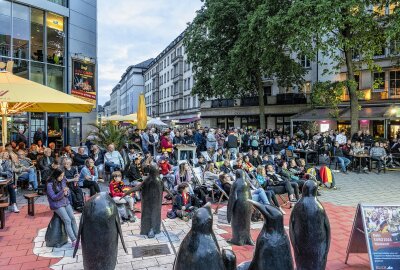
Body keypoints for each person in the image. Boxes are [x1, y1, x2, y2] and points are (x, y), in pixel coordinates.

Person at [46, 169, 78, 248]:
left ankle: (78, 237)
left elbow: (67, 194)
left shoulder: (63, 180)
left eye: (63, 175)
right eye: (60, 176)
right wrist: (62, 192)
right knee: (67, 220)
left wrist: (67, 192)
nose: (62, 177)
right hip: (56, 204)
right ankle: (73, 240)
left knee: (73, 219)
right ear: (56, 175)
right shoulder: (49, 185)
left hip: (65, 202)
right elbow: (54, 197)